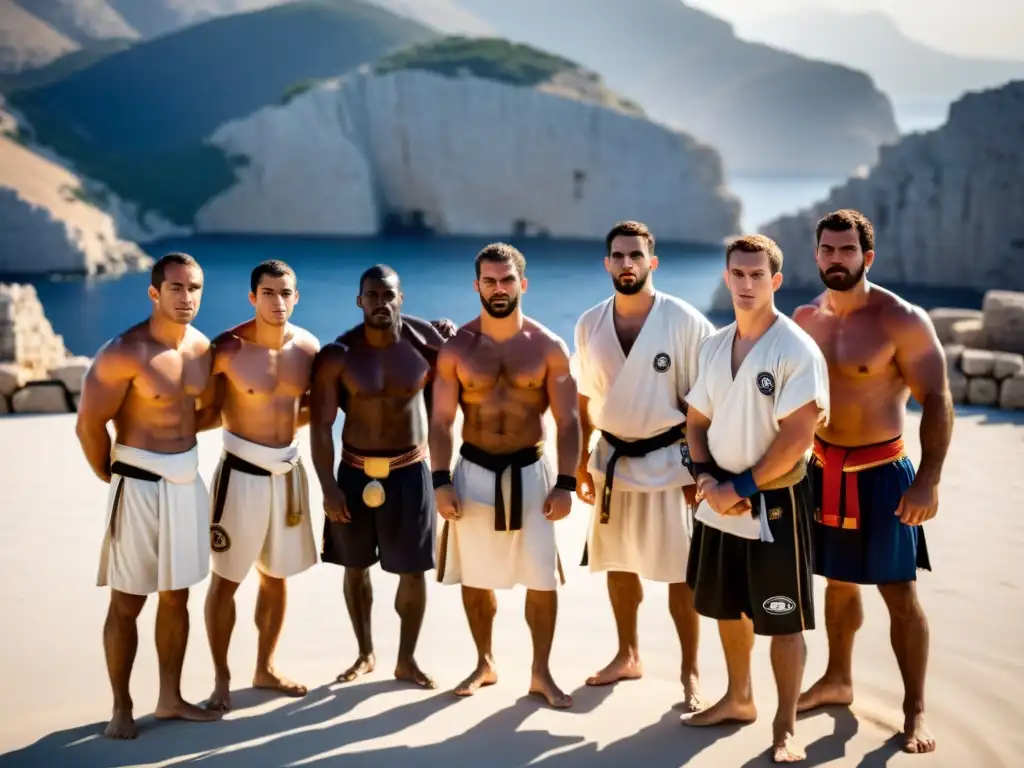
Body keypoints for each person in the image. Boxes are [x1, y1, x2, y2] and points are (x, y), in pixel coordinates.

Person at [793, 209, 950, 755]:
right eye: (828, 250)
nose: (837, 259)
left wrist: (927, 480)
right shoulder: (805, 318)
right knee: (837, 582)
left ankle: (915, 710)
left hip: (883, 474)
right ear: (816, 255)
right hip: (819, 469)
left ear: (867, 257)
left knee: (899, 593)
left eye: (847, 250)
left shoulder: (900, 319)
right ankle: (838, 679)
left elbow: (939, 399)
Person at [682, 234, 830, 764]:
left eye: (756, 275)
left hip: (774, 505)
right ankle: (738, 697)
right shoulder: (714, 344)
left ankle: (786, 726)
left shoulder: (795, 350)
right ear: (727, 277)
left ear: (776, 281)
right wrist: (704, 478)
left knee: (782, 617)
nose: (746, 284)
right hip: (716, 497)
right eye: (738, 274)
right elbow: (697, 419)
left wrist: (738, 488)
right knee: (725, 606)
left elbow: (799, 439)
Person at [75, 252, 223, 739]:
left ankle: (170, 698)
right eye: (176, 288)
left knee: (177, 596)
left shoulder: (203, 350)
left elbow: (200, 416)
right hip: (137, 482)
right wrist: (113, 477)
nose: (187, 298)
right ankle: (121, 706)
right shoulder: (124, 352)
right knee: (128, 600)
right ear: (154, 292)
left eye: (194, 288)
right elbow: (89, 426)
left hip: (186, 481)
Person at [429, 242, 580, 709]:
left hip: (532, 473)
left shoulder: (547, 346)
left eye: (507, 280)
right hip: (473, 472)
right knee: (476, 577)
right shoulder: (457, 349)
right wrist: (440, 480)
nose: (499, 289)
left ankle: (541, 673)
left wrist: (567, 483)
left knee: (542, 579)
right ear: (477, 286)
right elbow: (440, 421)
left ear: (523, 284)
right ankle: (484, 661)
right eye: (490, 281)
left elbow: (569, 420)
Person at [572, 220, 714, 711]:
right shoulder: (590, 323)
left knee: (681, 572)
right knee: (617, 562)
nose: (627, 263)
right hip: (611, 460)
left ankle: (690, 671)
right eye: (618, 255)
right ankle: (627, 654)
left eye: (636, 255)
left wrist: (702, 470)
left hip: (671, 460)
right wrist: (579, 465)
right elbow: (585, 399)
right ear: (607, 262)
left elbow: (706, 402)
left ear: (652, 262)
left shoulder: (685, 320)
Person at [309, 265, 457, 689]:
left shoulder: (427, 346)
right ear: (360, 300)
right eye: (372, 295)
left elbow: (452, 400)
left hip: (410, 474)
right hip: (353, 476)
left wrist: (442, 474)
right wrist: (328, 487)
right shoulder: (339, 354)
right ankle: (365, 653)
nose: (381, 302)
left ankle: (406, 660)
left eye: (388, 294)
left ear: (401, 297)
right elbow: (320, 425)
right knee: (355, 569)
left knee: (413, 571)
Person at [195, 260, 321, 712]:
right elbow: (204, 412)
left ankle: (264, 666)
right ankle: (221, 680)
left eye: (286, 293)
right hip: (240, 476)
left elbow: (312, 413)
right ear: (252, 297)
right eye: (268, 293)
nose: (278, 302)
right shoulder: (227, 349)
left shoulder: (308, 348)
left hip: (287, 474)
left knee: (275, 576)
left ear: (296, 296)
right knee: (226, 580)